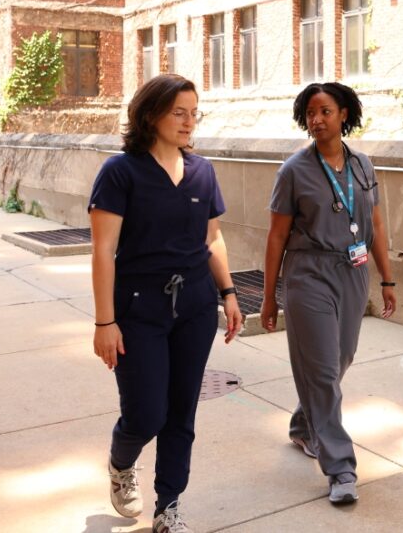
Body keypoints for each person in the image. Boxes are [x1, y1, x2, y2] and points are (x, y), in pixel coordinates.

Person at [89, 73, 243, 533]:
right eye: (179, 112)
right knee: (146, 415)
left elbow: (212, 238)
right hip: (139, 309)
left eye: (194, 113)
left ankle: (168, 507)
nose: (189, 121)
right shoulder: (120, 172)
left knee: (181, 413)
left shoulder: (202, 171)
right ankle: (122, 462)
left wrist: (229, 293)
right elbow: (102, 251)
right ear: (151, 114)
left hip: (195, 305)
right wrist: (104, 322)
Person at [260, 82, 397, 505]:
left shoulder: (362, 165)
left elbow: (375, 225)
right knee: (321, 372)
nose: (316, 120)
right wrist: (269, 296)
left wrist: (387, 279)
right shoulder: (294, 171)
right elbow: (276, 236)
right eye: (310, 114)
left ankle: (305, 425)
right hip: (309, 275)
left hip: (353, 272)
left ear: (344, 115)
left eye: (324, 111)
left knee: (340, 359)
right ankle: (340, 468)